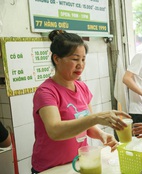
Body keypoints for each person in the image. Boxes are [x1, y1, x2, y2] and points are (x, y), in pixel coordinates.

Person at [31, 30, 130, 173]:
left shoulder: (82, 87)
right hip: (50, 168)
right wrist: (96, 117)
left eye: (83, 59)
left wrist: (102, 135)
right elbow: (55, 130)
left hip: (77, 164)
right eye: (75, 59)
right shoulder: (46, 92)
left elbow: (87, 125)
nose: (80, 65)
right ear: (57, 59)